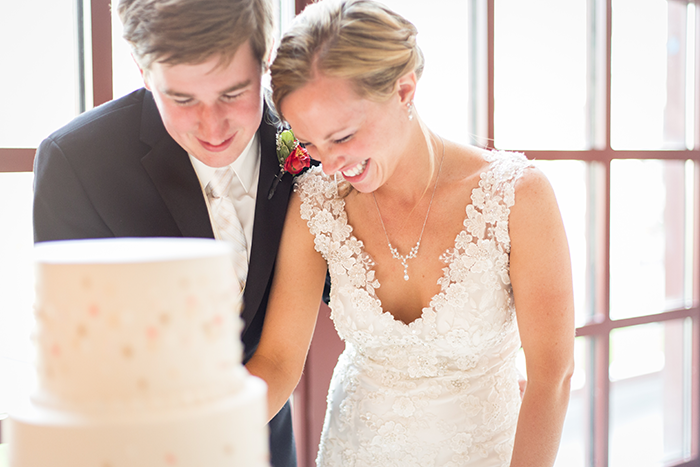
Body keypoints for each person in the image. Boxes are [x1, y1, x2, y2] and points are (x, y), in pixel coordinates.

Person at [246, 0, 576, 465]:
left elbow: (552, 376)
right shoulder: (317, 200)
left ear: (404, 90)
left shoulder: (519, 196)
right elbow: (277, 362)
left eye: (341, 137)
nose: (329, 163)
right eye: (309, 142)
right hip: (356, 448)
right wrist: (192, 438)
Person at [32, 0, 299, 465]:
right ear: (141, 68)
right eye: (183, 99)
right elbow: (84, 360)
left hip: (266, 447)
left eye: (234, 93)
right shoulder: (76, 163)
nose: (213, 127)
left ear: (266, 55)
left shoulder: (312, 141)